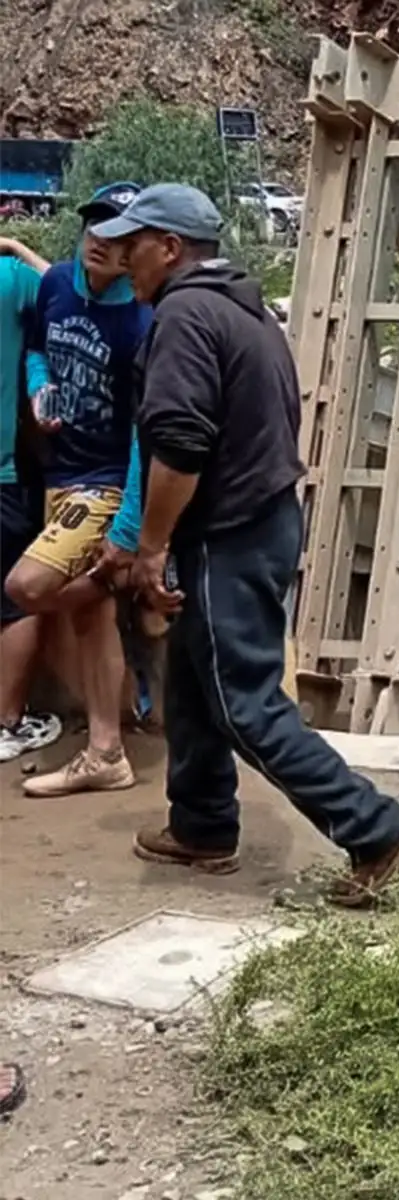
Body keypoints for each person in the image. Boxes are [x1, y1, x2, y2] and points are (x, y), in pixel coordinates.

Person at [93, 184, 399, 903]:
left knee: (241, 699)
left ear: (172, 248)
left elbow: (180, 446)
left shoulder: (185, 317)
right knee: (191, 678)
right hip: (264, 518)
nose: (124, 259)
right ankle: (203, 825)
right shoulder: (244, 310)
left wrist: (150, 547)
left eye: (136, 244)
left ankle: (376, 829)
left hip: (229, 533)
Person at [5, 183, 151, 796]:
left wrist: (132, 533)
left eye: (117, 235)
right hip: (61, 476)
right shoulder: (60, 282)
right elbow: (37, 346)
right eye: (95, 226)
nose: (100, 240)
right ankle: (105, 751)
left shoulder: (141, 321)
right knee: (92, 618)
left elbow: (151, 433)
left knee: (25, 587)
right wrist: (41, 387)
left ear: (135, 251)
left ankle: (130, 576)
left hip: (106, 483)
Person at [0, 235, 62, 763]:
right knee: (17, 601)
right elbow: (74, 295)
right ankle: (6, 723)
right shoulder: (10, 280)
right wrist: (18, 248)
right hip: (4, 472)